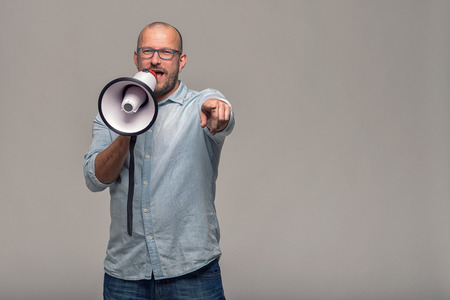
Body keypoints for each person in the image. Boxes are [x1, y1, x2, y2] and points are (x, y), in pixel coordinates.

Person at [84, 22, 234, 300]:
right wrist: (126, 130)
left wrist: (220, 112)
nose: (155, 59)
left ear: (181, 60)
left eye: (166, 52)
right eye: (147, 51)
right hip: (127, 273)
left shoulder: (199, 105)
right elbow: (95, 179)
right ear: (136, 58)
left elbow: (221, 114)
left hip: (192, 271)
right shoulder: (111, 114)